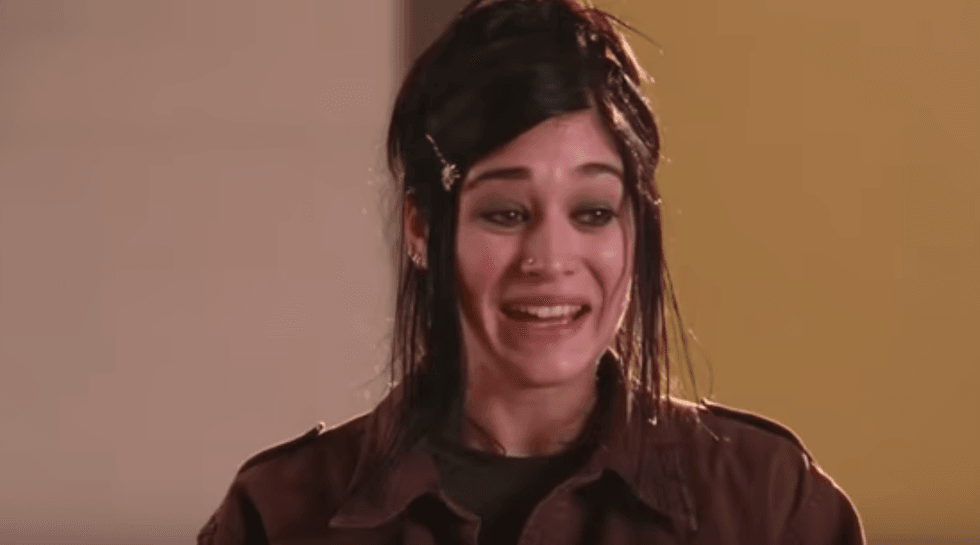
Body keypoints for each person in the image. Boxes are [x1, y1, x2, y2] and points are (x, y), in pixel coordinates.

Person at [197, 0, 865, 543]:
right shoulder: (280, 515)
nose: (550, 260)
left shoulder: (767, 503)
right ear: (422, 228)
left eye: (593, 212)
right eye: (507, 213)